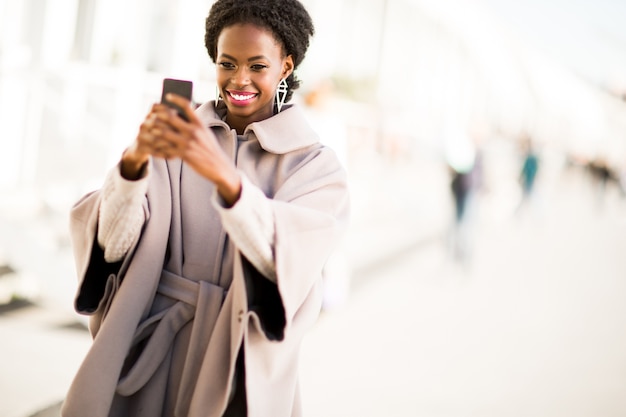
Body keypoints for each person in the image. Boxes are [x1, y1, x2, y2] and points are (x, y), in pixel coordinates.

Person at [61, 1, 350, 416]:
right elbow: (112, 244)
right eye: (227, 63)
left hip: (236, 371)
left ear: (285, 67)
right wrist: (133, 166)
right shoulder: (178, 141)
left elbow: (287, 263)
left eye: (257, 66)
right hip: (151, 361)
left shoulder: (315, 167)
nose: (239, 79)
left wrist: (226, 180)